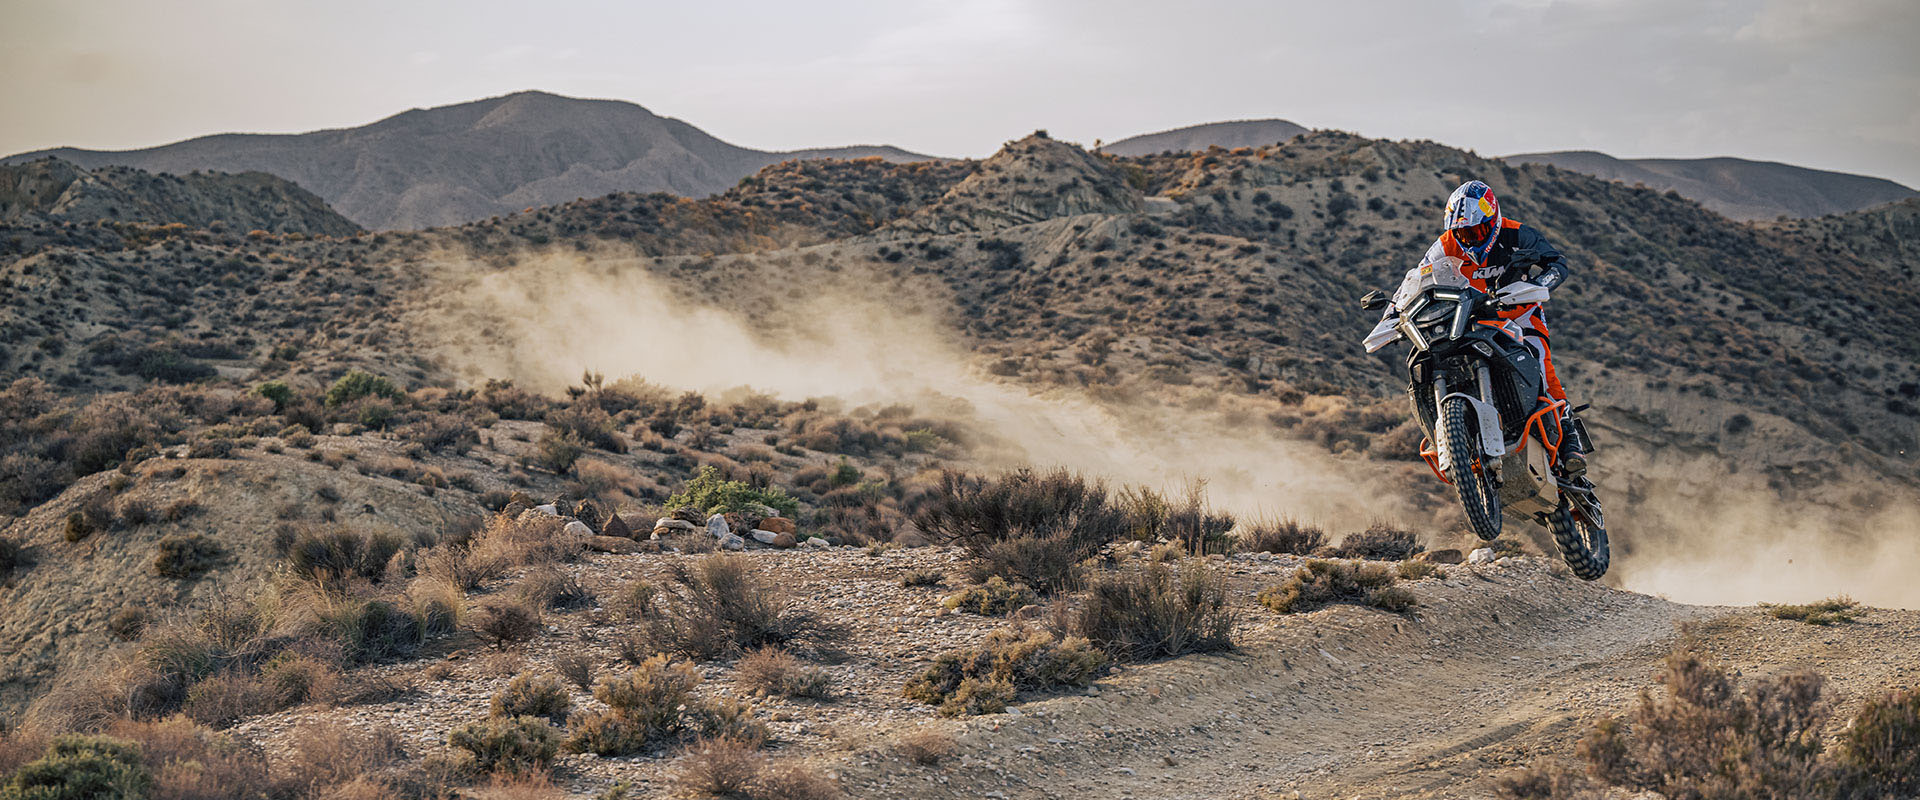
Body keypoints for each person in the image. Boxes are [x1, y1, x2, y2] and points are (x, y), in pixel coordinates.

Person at [1420, 180, 1591, 476]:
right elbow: (1418, 279)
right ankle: (1456, 434)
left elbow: (1557, 263)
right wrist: (1396, 310)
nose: (1470, 239)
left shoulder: (1517, 233)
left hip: (1521, 313)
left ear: (1493, 219)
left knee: (1539, 359)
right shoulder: (1445, 245)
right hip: (1473, 317)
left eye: (1477, 231)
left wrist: (1540, 284)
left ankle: (1569, 441)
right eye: (1463, 233)